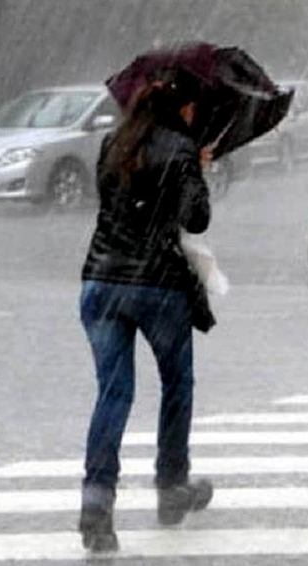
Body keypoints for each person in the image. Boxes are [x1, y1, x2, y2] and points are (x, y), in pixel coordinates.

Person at [78, 71, 214, 553]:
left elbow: (114, 206)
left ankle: (96, 506)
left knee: (113, 394)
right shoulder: (181, 149)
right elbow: (195, 218)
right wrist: (198, 168)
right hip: (157, 286)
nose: (195, 115)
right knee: (177, 383)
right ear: (182, 109)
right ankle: (171, 486)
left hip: (101, 282)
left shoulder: (113, 143)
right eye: (194, 108)